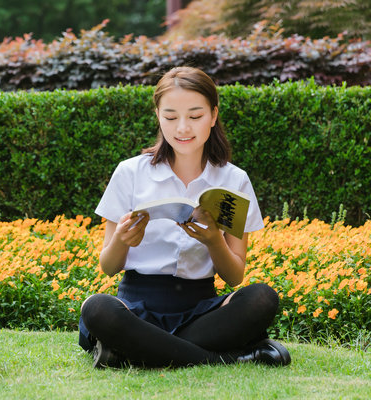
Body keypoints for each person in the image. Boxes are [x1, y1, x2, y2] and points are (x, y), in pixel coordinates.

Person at [79, 66, 291, 368]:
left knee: (262, 298)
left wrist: (214, 241)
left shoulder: (234, 181)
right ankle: (231, 357)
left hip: (202, 310)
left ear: (213, 116)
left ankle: (132, 352)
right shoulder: (130, 173)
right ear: (158, 116)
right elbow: (108, 267)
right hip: (136, 308)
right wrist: (123, 242)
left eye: (195, 116)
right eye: (170, 117)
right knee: (98, 309)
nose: (182, 128)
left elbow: (234, 276)